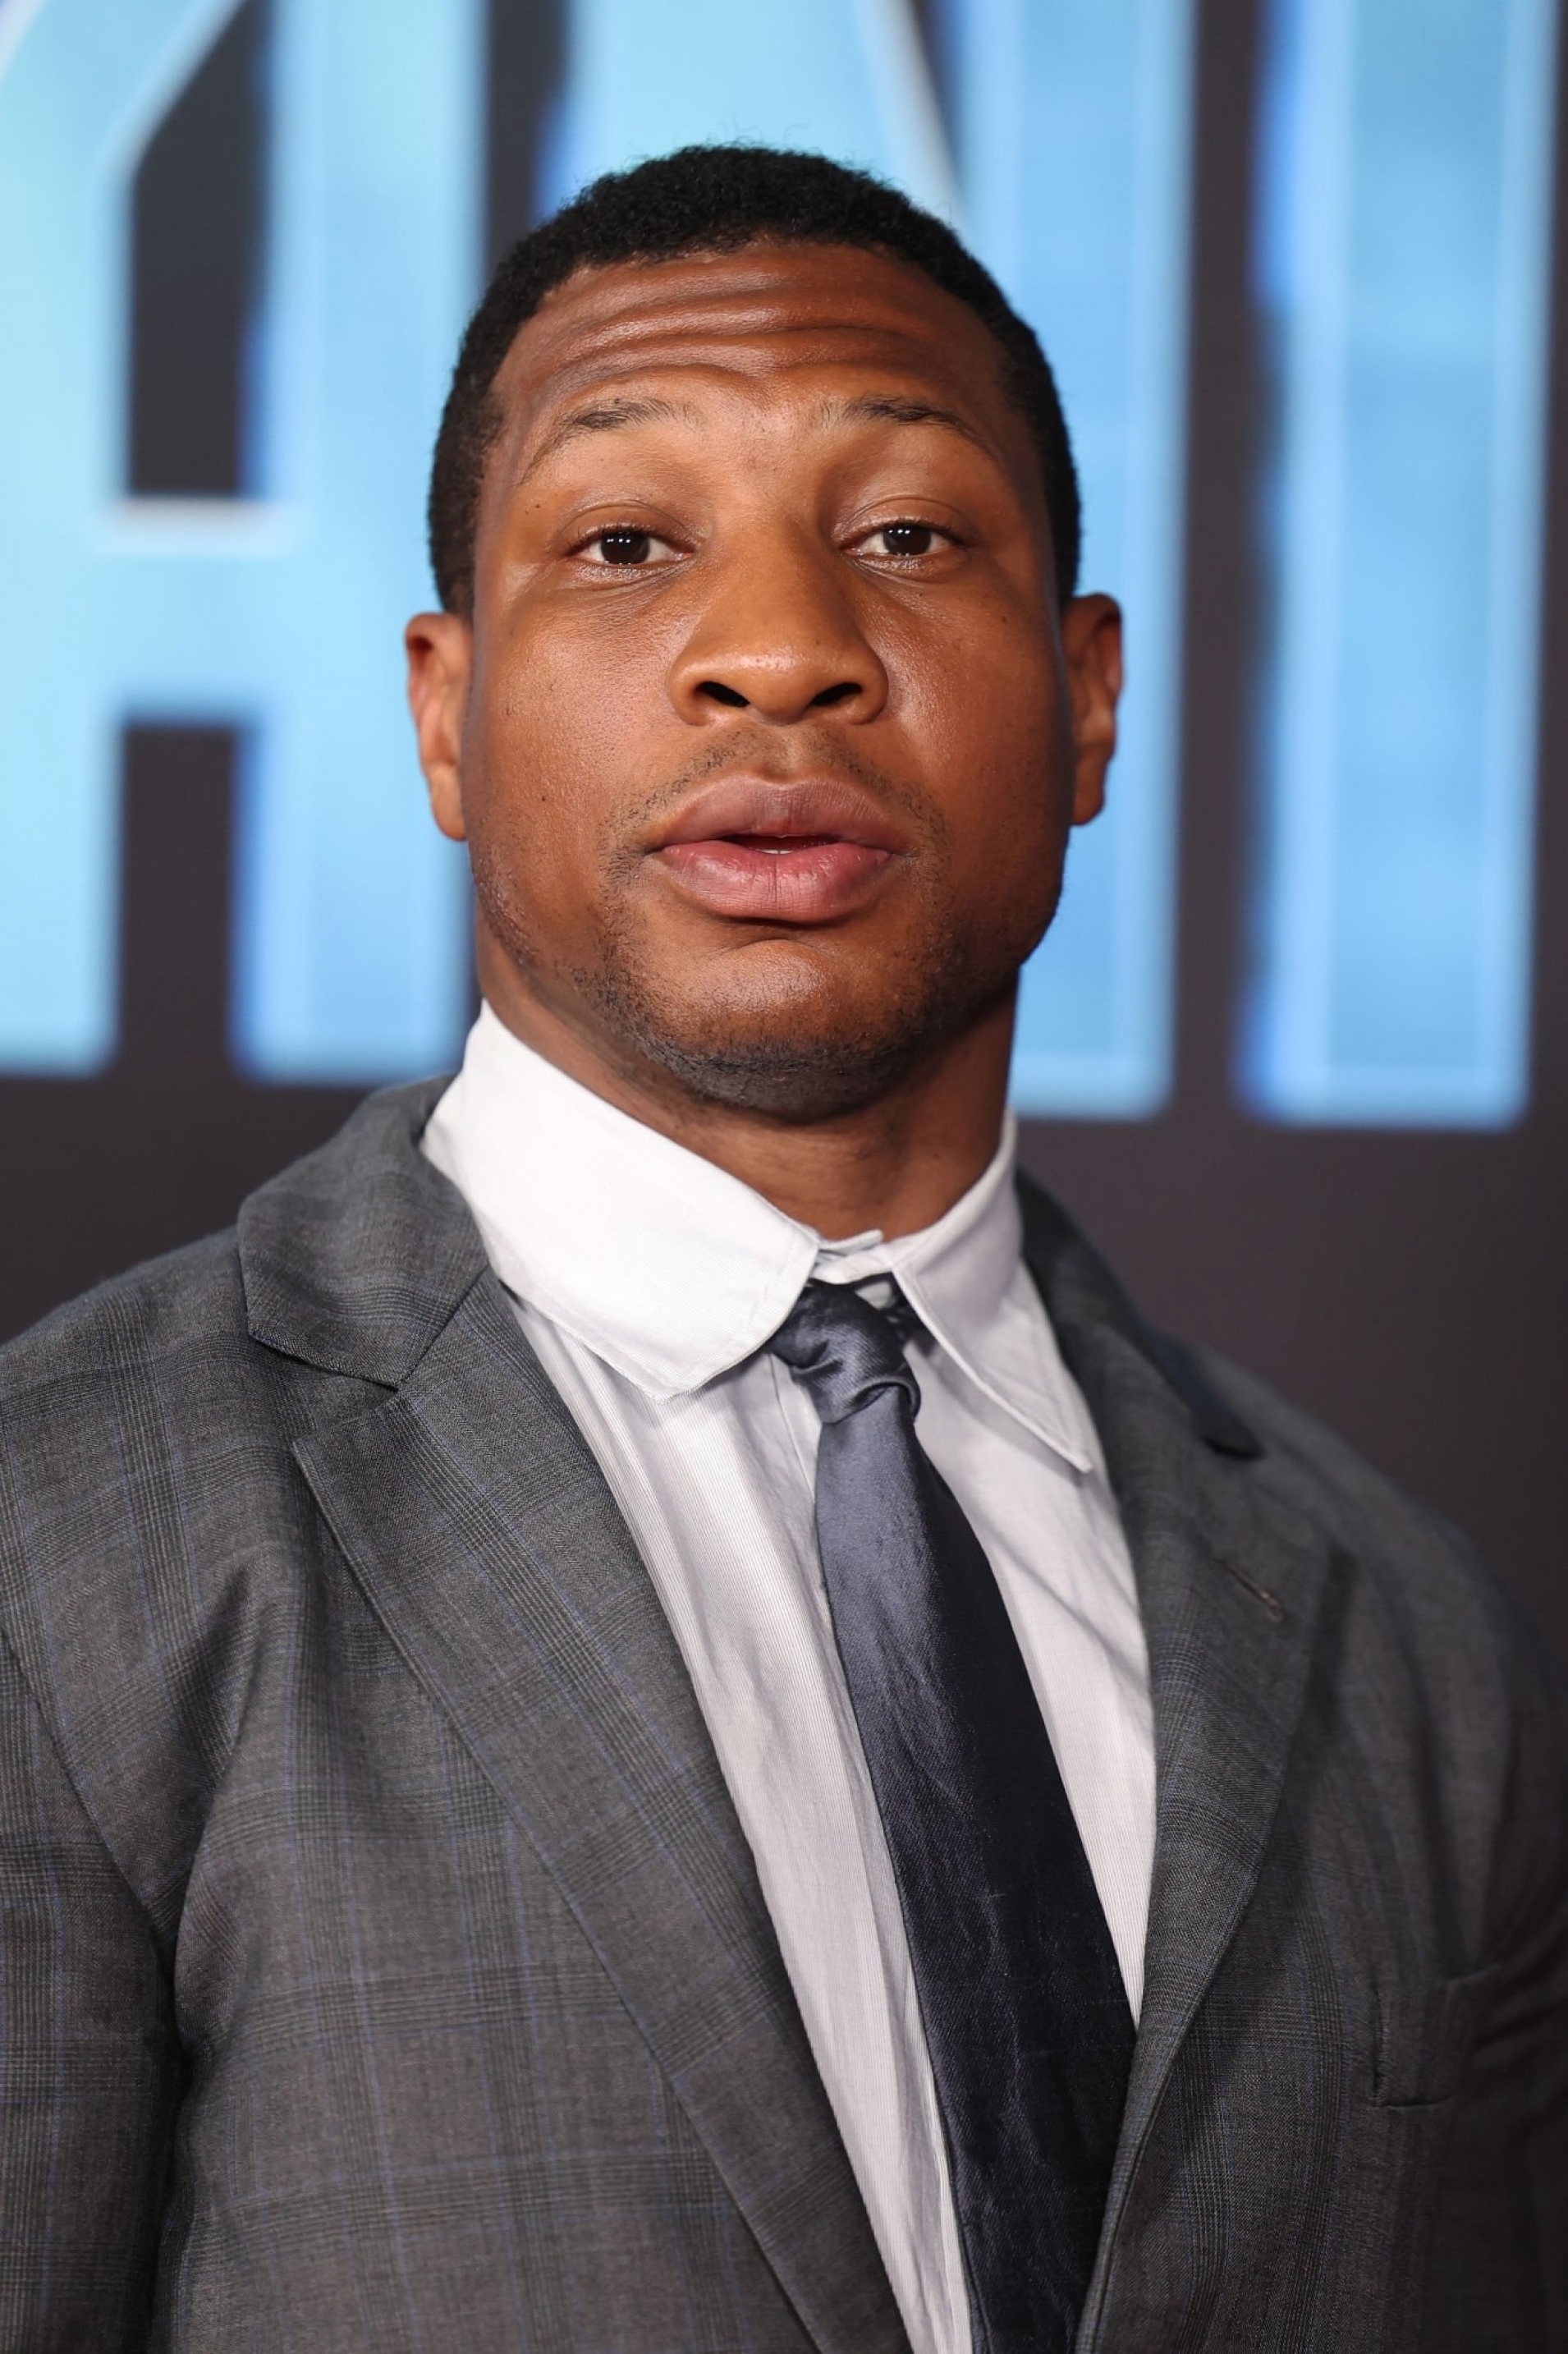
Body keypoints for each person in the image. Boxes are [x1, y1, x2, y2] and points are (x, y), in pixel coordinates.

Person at [0, 144, 1563, 2354]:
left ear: (1089, 696)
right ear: (445, 712)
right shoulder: (58, 1537)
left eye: (906, 536)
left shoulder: (1415, 1644)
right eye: (626, 544)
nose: (780, 654)